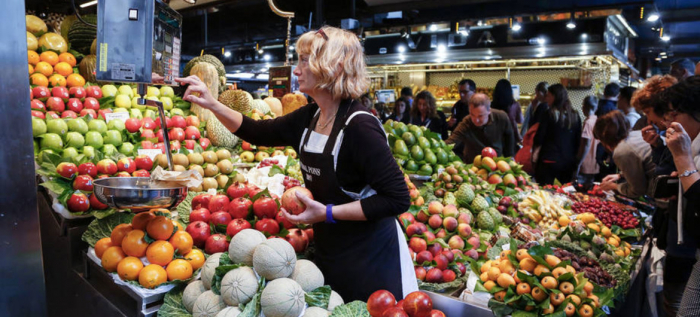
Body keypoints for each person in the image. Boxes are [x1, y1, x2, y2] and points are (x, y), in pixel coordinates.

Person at [175, 26, 415, 302]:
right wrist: (212, 103)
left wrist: (326, 213)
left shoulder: (360, 127)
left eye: (304, 60)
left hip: (371, 260)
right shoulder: (312, 115)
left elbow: (397, 199)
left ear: (333, 66)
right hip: (329, 251)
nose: (296, 70)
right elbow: (257, 131)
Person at [661, 76, 700, 317]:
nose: (670, 120)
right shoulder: (694, 148)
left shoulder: (690, 152)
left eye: (675, 112)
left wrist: (684, 161)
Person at [594, 111, 656, 198]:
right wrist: (620, 175)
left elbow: (637, 191)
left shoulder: (621, 151)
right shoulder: (637, 134)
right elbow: (642, 167)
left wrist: (614, 186)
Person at [533, 84, 582, 185]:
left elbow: (539, 137)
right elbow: (578, 141)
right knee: (564, 192)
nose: (547, 99)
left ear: (555, 97)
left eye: (548, 96)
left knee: (547, 192)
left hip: (549, 160)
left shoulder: (549, 114)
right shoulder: (575, 115)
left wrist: (534, 153)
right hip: (568, 161)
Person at [445, 93, 515, 162]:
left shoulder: (501, 117)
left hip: (496, 163)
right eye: (472, 115)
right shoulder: (467, 122)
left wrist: (510, 157)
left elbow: (510, 139)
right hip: (472, 165)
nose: (476, 120)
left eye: (480, 116)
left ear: (489, 111)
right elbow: (452, 141)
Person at [632, 75, 678, 176]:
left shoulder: (681, 134)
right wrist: (657, 145)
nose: (649, 121)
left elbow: (665, 171)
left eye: (647, 112)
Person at [575, 96, 599, 184]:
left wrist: (579, 163)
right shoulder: (597, 120)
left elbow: (586, 144)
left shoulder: (588, 123)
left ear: (585, 107)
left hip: (585, 164)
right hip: (595, 165)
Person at [492, 79, 523, 143]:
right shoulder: (514, 105)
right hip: (510, 137)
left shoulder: (491, 105)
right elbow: (520, 121)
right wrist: (519, 137)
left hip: (494, 136)